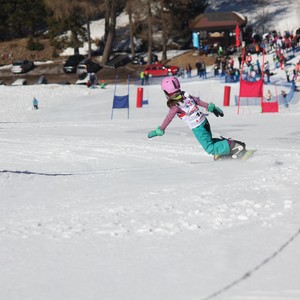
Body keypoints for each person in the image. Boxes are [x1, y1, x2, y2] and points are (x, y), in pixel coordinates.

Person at [147, 76, 246, 159]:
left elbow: (169, 118)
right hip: (204, 122)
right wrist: (210, 107)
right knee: (210, 141)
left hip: (198, 127)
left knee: (209, 148)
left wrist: (160, 130)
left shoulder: (175, 105)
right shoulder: (186, 95)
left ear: (167, 92)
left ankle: (234, 147)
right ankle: (231, 145)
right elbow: (198, 101)